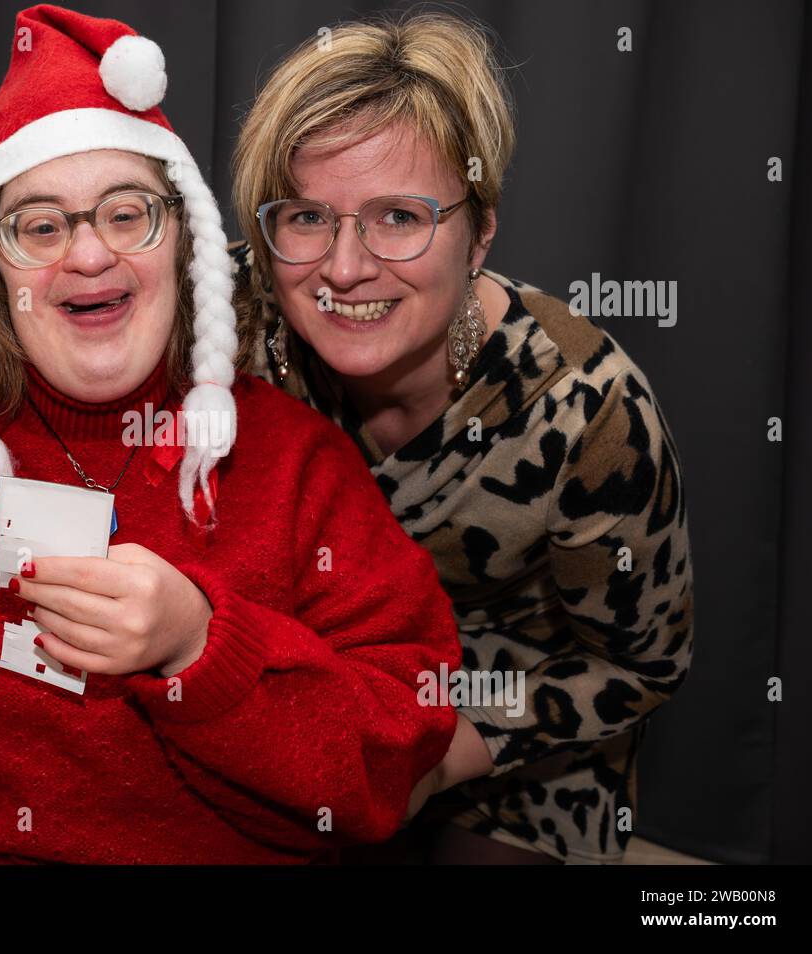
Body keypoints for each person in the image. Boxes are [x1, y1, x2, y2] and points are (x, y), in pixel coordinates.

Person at [0, 4, 460, 865]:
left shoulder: (300, 465)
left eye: (126, 213)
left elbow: (388, 765)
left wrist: (201, 645)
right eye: (41, 225)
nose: (89, 256)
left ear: (183, 242)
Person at [229, 12, 694, 864]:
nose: (344, 267)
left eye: (399, 217)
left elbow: (639, 666)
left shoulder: (591, 411)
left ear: (480, 233)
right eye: (305, 217)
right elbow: (15, 347)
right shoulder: (226, 315)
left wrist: (434, 764)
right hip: (298, 694)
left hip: (508, 728)